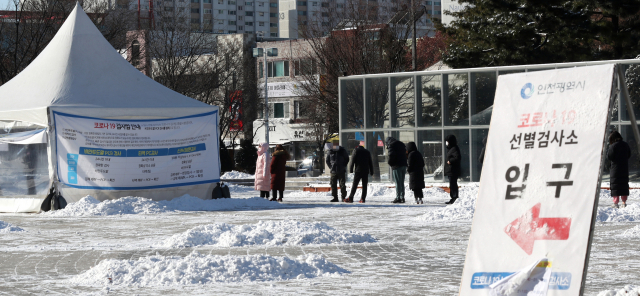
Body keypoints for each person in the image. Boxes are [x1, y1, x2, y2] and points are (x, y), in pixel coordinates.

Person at [607, 130, 631, 208]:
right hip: (624, 168)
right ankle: (624, 202)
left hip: (615, 169)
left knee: (615, 185)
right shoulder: (625, 145)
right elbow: (629, 155)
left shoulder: (613, 146)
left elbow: (609, 157)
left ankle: (615, 203)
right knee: (623, 184)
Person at [386, 137, 408, 203]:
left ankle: (398, 197)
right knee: (401, 182)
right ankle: (402, 197)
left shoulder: (391, 145)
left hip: (396, 166)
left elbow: (391, 155)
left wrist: (390, 163)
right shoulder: (402, 144)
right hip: (403, 165)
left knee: (397, 182)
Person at [444, 135, 461, 204]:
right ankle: (452, 197)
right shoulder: (451, 149)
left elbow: (458, 157)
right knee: (452, 184)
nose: (446, 143)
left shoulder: (454, 148)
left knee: (453, 184)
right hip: (451, 170)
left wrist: (450, 161)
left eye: (447, 141)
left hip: (453, 170)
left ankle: (454, 197)